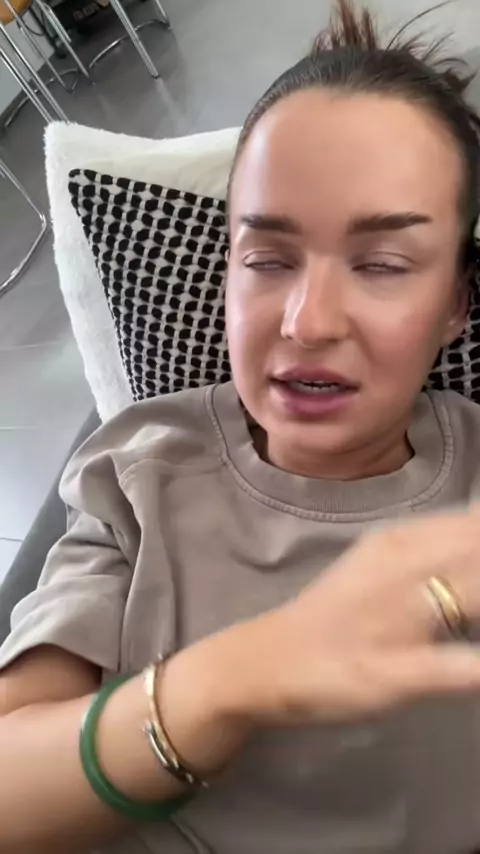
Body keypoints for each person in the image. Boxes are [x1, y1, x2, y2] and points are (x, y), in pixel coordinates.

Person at [1, 1, 480, 851]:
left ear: (456, 304)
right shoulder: (139, 471)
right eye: (267, 259)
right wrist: (237, 681)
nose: (307, 321)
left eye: (381, 264)